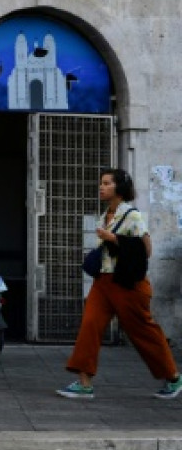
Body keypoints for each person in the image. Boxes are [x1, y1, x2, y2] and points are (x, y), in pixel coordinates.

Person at [58, 168, 182, 400]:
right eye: (101, 183)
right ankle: (84, 383)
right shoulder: (105, 215)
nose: (101, 187)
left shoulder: (131, 215)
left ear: (119, 188)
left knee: (143, 331)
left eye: (106, 183)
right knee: (90, 326)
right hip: (103, 282)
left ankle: (174, 377)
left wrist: (114, 238)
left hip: (127, 285)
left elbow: (146, 249)